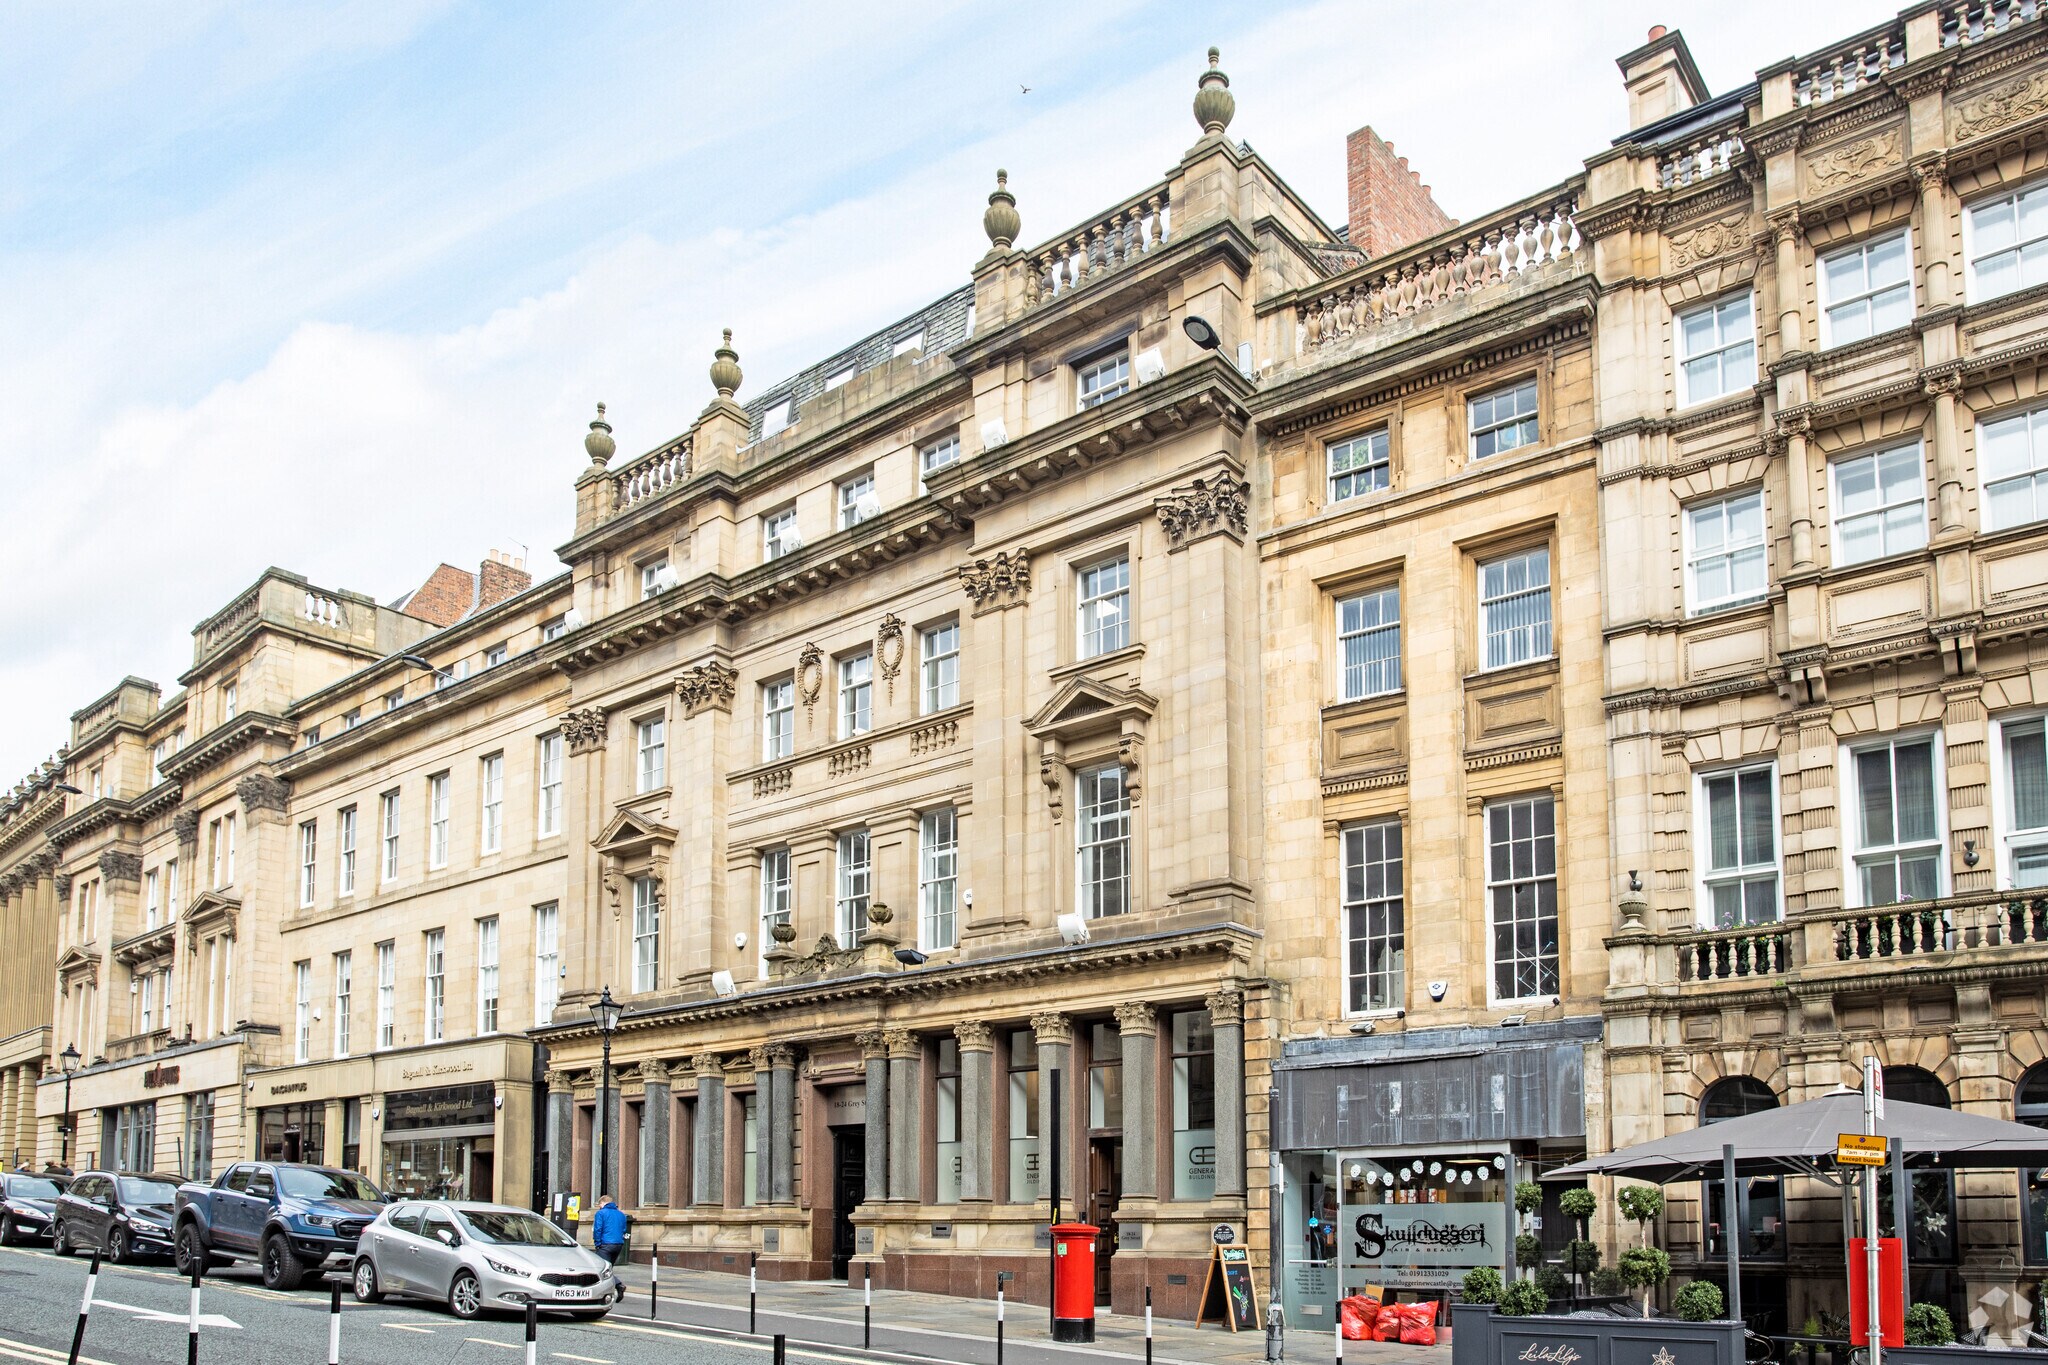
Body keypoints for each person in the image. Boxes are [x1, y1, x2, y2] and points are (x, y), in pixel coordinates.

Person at [592, 1196, 629, 1268]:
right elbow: (624, 1229)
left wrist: (597, 1243)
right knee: (610, 1268)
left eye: (599, 1204)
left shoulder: (600, 1213)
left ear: (602, 1203)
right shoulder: (621, 1214)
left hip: (605, 1244)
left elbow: (598, 1229)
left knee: (602, 1268)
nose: (599, 1206)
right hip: (618, 1244)